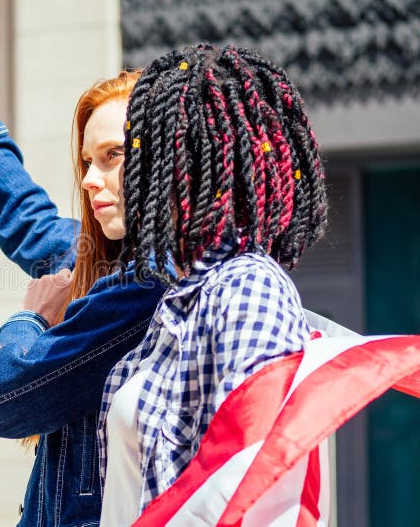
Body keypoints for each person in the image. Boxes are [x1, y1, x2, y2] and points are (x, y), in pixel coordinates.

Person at [0, 12, 170, 526]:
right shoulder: (94, 258)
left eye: (113, 156)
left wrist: (31, 319)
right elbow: (26, 215)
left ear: (163, 158)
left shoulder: (150, 287)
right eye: (86, 162)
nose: (91, 180)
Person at [98, 43, 329, 525]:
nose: (135, 174)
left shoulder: (248, 290)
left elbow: (260, 497)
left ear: (190, 165)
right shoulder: (182, 294)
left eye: (139, 152)